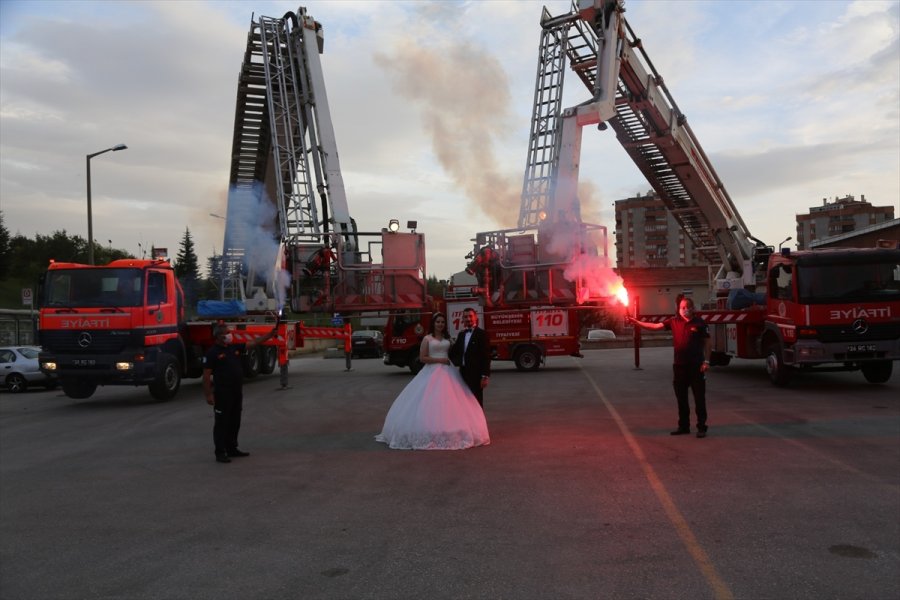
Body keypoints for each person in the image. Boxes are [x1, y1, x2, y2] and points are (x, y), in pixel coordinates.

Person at [375, 313, 490, 450]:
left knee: (452, 403)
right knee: (430, 402)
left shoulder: (449, 338)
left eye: (442, 322)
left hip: (449, 372)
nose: (440, 324)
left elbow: (457, 352)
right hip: (432, 371)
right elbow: (423, 358)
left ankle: (453, 428)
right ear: (433, 324)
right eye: (438, 322)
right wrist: (440, 360)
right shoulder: (427, 339)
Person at [627, 297, 712, 438]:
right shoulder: (673, 322)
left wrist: (707, 361)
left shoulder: (700, 323)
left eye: (687, 307)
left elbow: (708, 343)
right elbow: (654, 327)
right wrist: (637, 323)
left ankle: (701, 427)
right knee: (681, 399)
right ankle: (683, 426)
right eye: (682, 307)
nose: (684, 309)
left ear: (693, 308)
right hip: (679, 367)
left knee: (699, 399)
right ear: (678, 309)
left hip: (696, 367)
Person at [203, 319, 278, 463]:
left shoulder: (233, 348)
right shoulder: (212, 353)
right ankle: (220, 451)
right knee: (222, 422)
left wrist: (269, 335)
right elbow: (206, 376)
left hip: (236, 391)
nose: (230, 335)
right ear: (219, 336)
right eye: (227, 333)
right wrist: (208, 394)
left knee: (235, 420)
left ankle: (232, 448)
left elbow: (254, 343)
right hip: (222, 393)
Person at [449, 307, 491, 407]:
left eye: (470, 316)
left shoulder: (482, 334)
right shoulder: (461, 335)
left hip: (476, 375)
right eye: (466, 317)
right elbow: (453, 352)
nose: (468, 319)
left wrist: (485, 376)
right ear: (462, 320)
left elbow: (486, 356)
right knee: (464, 402)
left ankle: (479, 422)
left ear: (476, 318)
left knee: (476, 401)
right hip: (462, 374)